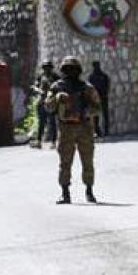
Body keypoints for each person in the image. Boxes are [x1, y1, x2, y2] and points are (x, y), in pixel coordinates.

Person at [49, 56, 101, 204]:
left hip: (84, 128)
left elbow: (97, 107)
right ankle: (65, 193)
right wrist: (57, 98)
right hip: (66, 129)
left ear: (78, 71)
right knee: (65, 162)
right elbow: (48, 106)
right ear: (63, 70)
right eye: (67, 69)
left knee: (87, 161)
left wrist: (86, 112)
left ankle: (89, 191)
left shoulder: (87, 87)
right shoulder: (56, 87)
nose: (70, 72)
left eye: (73, 69)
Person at [31, 61, 59, 148]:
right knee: (41, 123)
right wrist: (39, 91)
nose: (46, 69)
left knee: (52, 122)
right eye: (45, 67)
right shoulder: (41, 76)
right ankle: (39, 141)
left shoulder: (55, 77)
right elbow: (35, 86)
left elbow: (60, 87)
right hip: (42, 102)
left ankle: (53, 142)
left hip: (51, 102)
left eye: (48, 67)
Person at [88, 61, 112, 136]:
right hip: (95, 98)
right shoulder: (91, 77)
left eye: (97, 65)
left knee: (105, 114)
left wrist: (105, 93)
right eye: (95, 65)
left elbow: (108, 85)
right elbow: (90, 87)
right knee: (96, 115)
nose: (96, 67)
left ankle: (106, 130)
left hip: (103, 96)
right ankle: (97, 131)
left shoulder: (104, 76)